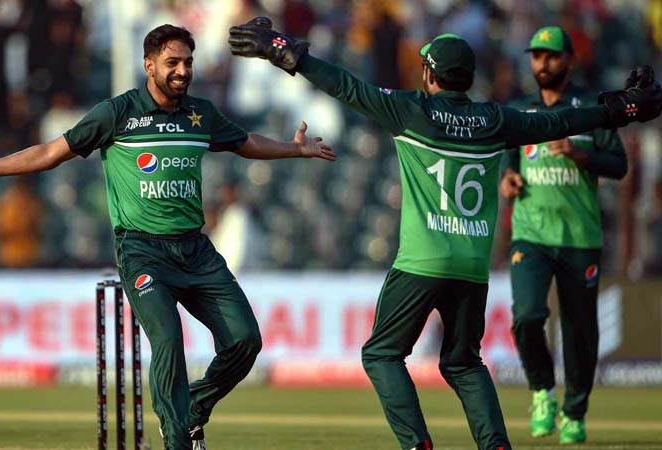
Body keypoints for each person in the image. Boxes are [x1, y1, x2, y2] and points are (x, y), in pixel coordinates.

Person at [228, 17, 661, 450]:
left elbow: (345, 85)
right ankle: (495, 445)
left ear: (430, 74)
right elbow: (562, 122)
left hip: (422, 261)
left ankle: (418, 444)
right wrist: (620, 107)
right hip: (471, 267)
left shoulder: (410, 110)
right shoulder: (495, 120)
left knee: (380, 354)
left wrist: (284, 51)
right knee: (463, 363)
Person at [0, 24, 335, 450]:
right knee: (169, 341)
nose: (182, 71)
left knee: (246, 340)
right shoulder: (117, 113)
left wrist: (294, 149)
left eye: (188, 63)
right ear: (149, 65)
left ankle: (194, 406)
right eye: (172, 63)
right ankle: (177, 439)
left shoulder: (200, 114)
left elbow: (245, 142)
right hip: (143, 251)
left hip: (196, 250)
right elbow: (50, 153)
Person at [499, 26, 627, 444]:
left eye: (551, 56)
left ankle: (574, 412)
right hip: (531, 234)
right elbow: (509, 159)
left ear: (570, 60)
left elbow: (618, 165)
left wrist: (580, 154)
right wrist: (509, 178)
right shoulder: (520, 109)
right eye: (536, 56)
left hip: (579, 237)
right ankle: (541, 391)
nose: (542, 64)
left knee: (580, 332)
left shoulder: (591, 108)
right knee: (527, 316)